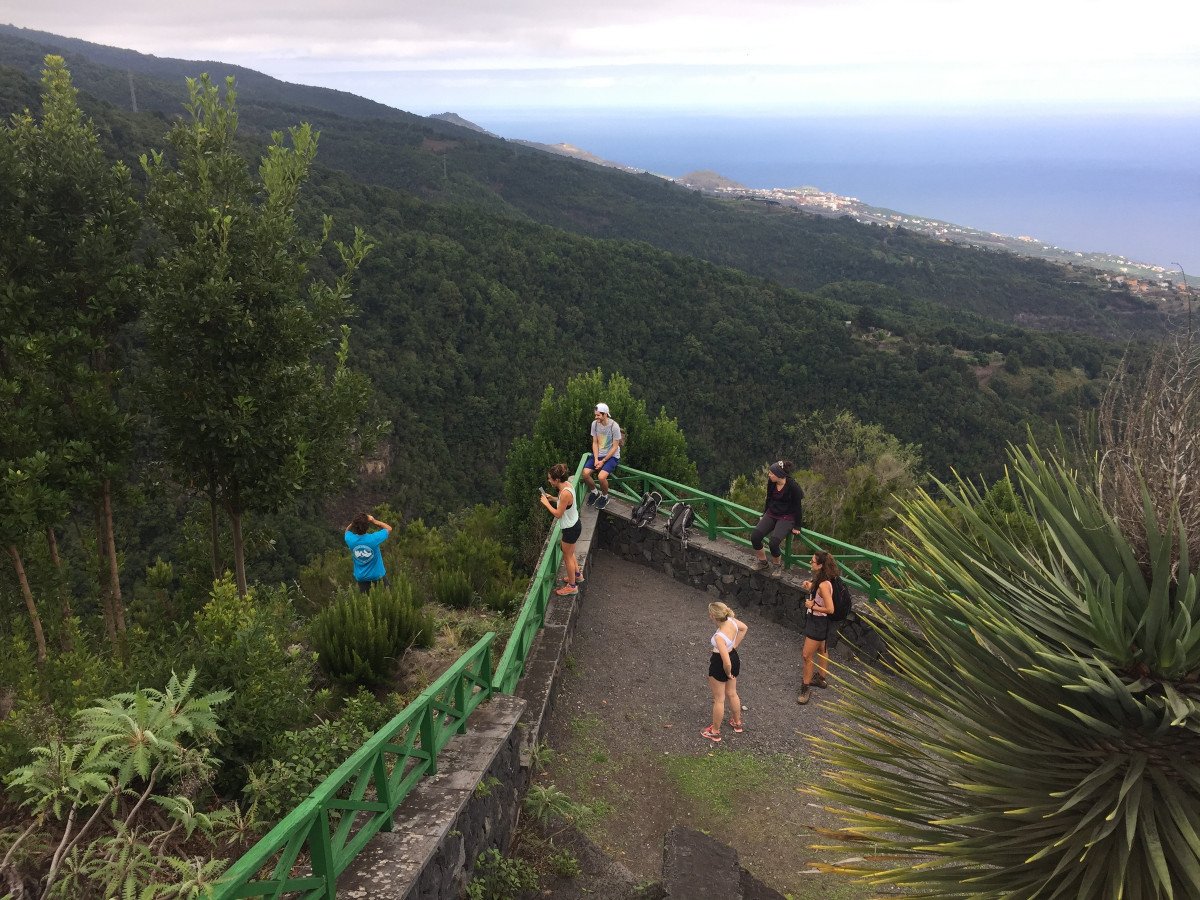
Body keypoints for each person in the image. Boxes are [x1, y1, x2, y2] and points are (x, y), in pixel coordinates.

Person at [701, 601, 748, 742]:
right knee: (732, 693)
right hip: (735, 657)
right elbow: (744, 628)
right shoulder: (732, 621)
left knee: (719, 699)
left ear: (712, 616)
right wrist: (734, 644)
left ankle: (715, 732)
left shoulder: (719, 637)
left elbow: (725, 661)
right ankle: (737, 723)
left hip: (721, 664)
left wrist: (727, 672)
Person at [797, 550, 839, 704]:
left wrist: (812, 606)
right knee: (822, 650)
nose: (810, 563)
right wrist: (810, 586)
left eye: (813, 561)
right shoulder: (824, 579)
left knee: (807, 655)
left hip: (818, 623)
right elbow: (819, 593)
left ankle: (805, 689)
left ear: (820, 565)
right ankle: (821, 678)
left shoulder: (823, 585)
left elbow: (830, 609)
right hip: (822, 623)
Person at [750, 460, 804, 578]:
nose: (769, 475)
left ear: (779, 474)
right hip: (772, 513)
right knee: (755, 537)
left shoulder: (793, 486)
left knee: (773, 543)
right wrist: (764, 513)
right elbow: (768, 498)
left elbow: (798, 507)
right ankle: (763, 562)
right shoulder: (772, 482)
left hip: (787, 516)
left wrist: (797, 526)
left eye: (771, 473)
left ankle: (777, 566)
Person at [540, 463, 582, 596]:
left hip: (570, 529)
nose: (549, 481)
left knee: (567, 556)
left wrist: (547, 504)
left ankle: (572, 586)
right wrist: (552, 498)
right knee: (570, 553)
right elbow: (564, 502)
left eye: (550, 479)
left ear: (557, 479)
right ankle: (577, 575)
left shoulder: (564, 494)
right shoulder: (567, 487)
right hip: (575, 525)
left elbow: (558, 514)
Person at [582, 402, 621, 510]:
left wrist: (602, 461)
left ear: (605, 414)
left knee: (601, 477)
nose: (596, 417)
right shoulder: (594, 424)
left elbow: (614, 447)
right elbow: (594, 442)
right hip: (598, 454)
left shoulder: (614, 426)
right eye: (596, 415)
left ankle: (605, 497)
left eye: (598, 415)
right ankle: (595, 492)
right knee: (585, 474)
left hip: (612, 456)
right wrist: (595, 459)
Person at [344, 512, 392, 593]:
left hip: (362, 578)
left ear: (355, 526)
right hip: (378, 576)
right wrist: (374, 521)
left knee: (366, 602)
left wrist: (354, 522)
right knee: (387, 600)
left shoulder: (350, 539)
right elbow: (389, 528)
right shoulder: (373, 539)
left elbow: (346, 531)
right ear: (367, 526)